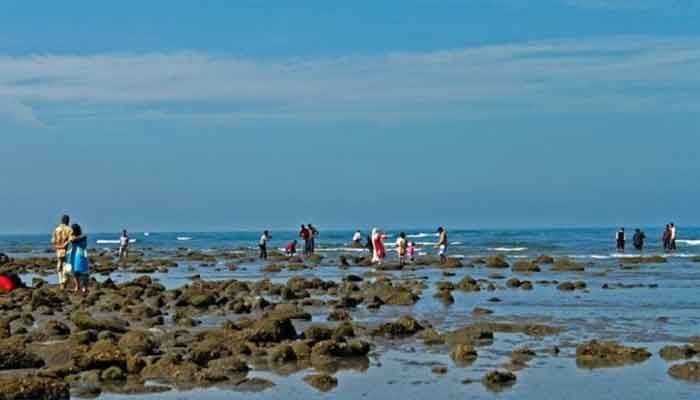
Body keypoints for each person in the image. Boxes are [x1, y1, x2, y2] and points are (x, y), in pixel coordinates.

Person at [51, 215, 72, 290]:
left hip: (58, 250)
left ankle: (61, 282)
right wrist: (64, 245)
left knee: (59, 266)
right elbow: (71, 239)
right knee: (66, 266)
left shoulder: (56, 229)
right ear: (68, 221)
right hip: (66, 250)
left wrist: (57, 246)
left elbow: (53, 241)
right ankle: (64, 281)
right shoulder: (69, 229)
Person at [68, 224, 89, 294]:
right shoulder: (81, 237)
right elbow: (73, 239)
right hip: (78, 255)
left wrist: (74, 237)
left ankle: (82, 287)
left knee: (81, 272)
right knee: (77, 272)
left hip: (79, 255)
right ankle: (79, 287)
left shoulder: (82, 236)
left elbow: (74, 239)